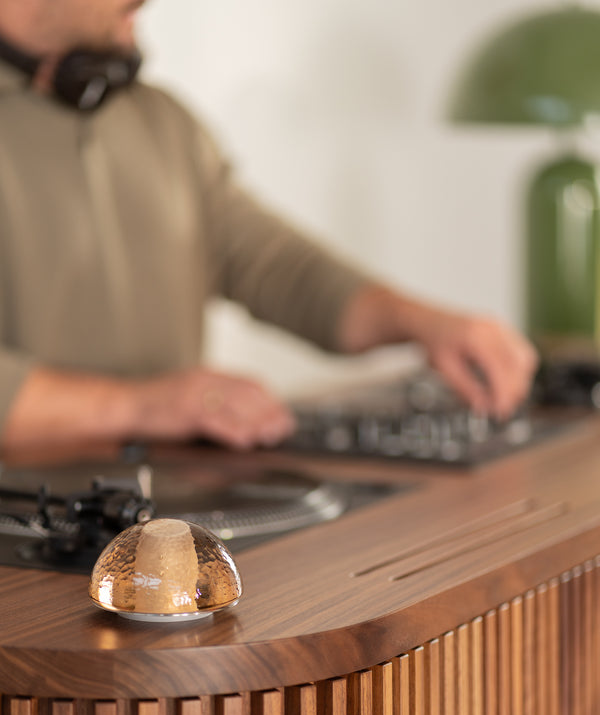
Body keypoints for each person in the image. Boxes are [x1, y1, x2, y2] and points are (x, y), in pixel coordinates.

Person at [0, 0, 537, 454]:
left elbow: (278, 267)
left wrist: (423, 323)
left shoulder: (163, 123)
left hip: (156, 537)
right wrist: (144, 405)